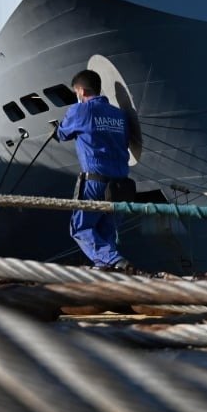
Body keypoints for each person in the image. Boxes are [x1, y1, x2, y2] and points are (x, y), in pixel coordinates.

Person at [53, 69, 133, 271]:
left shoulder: (80, 110)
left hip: (95, 183)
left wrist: (56, 130)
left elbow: (62, 134)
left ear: (80, 91)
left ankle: (115, 261)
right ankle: (107, 267)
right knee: (107, 232)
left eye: (76, 92)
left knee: (80, 228)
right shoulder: (120, 115)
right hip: (121, 186)